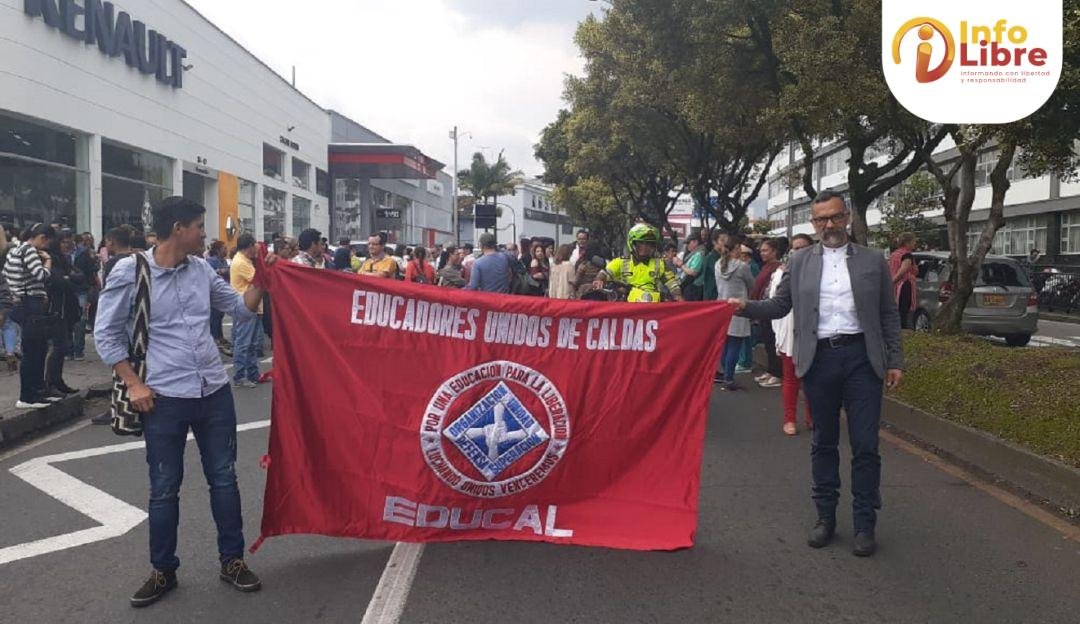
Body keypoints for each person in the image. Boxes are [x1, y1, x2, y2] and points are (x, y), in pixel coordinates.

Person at [95, 197, 274, 607]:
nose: (204, 234)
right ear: (178, 228)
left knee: (225, 480)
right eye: (198, 226)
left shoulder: (201, 270)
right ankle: (163, 570)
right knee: (164, 488)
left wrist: (261, 279)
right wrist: (133, 384)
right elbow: (105, 333)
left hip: (213, 390)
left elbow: (240, 310)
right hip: (163, 396)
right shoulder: (131, 270)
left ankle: (232, 561)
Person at [729, 190, 904, 557]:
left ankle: (864, 523)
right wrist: (744, 307)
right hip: (819, 359)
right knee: (823, 442)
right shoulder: (801, 260)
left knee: (865, 445)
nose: (829, 225)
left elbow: (889, 313)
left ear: (848, 217)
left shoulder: (873, 261)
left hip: (862, 359)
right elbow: (780, 305)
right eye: (820, 219)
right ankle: (825, 517)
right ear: (813, 223)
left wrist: (895, 360)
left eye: (835, 217)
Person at [5, 223, 58, 409]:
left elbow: (7, 274)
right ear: (42, 237)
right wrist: (48, 261)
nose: (46, 248)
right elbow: (41, 275)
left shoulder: (15, 250)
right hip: (30, 305)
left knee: (36, 348)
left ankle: (36, 392)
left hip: (21, 303)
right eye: (47, 243)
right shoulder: (28, 251)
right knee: (34, 351)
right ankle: (28, 396)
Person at [771, 233, 814, 436]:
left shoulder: (820, 271)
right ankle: (789, 419)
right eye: (795, 248)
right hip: (790, 331)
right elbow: (774, 303)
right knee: (791, 378)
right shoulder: (782, 274)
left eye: (803, 247)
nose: (799, 252)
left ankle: (812, 417)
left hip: (815, 332)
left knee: (813, 380)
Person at [592, 224, 683, 303]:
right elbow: (604, 273)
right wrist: (599, 280)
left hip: (655, 310)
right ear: (633, 243)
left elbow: (672, 283)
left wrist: (678, 295)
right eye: (641, 243)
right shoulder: (621, 262)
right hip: (627, 309)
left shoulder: (660, 263)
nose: (645, 247)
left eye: (649, 244)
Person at [44, 230, 84, 396]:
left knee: (64, 345)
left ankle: (57, 380)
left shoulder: (65, 259)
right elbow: (58, 282)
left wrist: (69, 278)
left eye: (69, 241)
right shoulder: (50, 259)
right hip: (56, 308)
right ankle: (49, 383)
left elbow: (81, 276)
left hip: (68, 307)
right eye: (63, 241)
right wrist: (69, 278)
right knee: (58, 346)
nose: (67, 244)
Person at [713, 235, 754, 390]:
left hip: (722, 306)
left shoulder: (718, 264)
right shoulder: (742, 266)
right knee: (735, 345)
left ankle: (724, 373)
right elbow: (752, 283)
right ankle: (729, 378)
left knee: (725, 343)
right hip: (738, 307)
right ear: (736, 248)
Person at [751, 238, 786, 388]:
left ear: (774, 251)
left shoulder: (778, 268)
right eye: (761, 250)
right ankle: (771, 371)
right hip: (762, 309)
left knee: (773, 343)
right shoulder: (766, 266)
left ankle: (777, 373)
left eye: (765, 250)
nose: (762, 253)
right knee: (767, 343)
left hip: (771, 309)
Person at [229, 234, 262, 389]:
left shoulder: (245, 260)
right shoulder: (241, 262)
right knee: (243, 344)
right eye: (255, 245)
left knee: (251, 344)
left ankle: (253, 374)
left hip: (251, 307)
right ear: (250, 246)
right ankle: (240, 376)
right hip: (245, 308)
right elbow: (259, 278)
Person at [71, 233, 100, 361]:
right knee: (80, 319)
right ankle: (76, 350)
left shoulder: (82, 254)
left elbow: (90, 271)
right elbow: (91, 270)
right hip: (80, 288)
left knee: (80, 319)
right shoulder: (85, 253)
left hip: (79, 288)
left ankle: (75, 349)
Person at [206, 241, 231, 354]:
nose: (226, 250)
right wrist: (221, 271)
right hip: (214, 294)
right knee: (214, 317)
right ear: (217, 250)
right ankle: (215, 339)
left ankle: (220, 336)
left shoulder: (224, 261)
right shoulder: (211, 261)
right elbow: (210, 273)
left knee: (220, 316)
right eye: (224, 248)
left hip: (224, 291)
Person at [889, 233, 919, 330]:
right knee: (904, 312)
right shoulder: (907, 255)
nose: (915, 244)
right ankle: (904, 330)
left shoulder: (894, 254)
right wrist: (893, 281)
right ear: (907, 243)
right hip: (904, 285)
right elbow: (903, 270)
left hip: (895, 288)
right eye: (913, 242)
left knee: (897, 310)